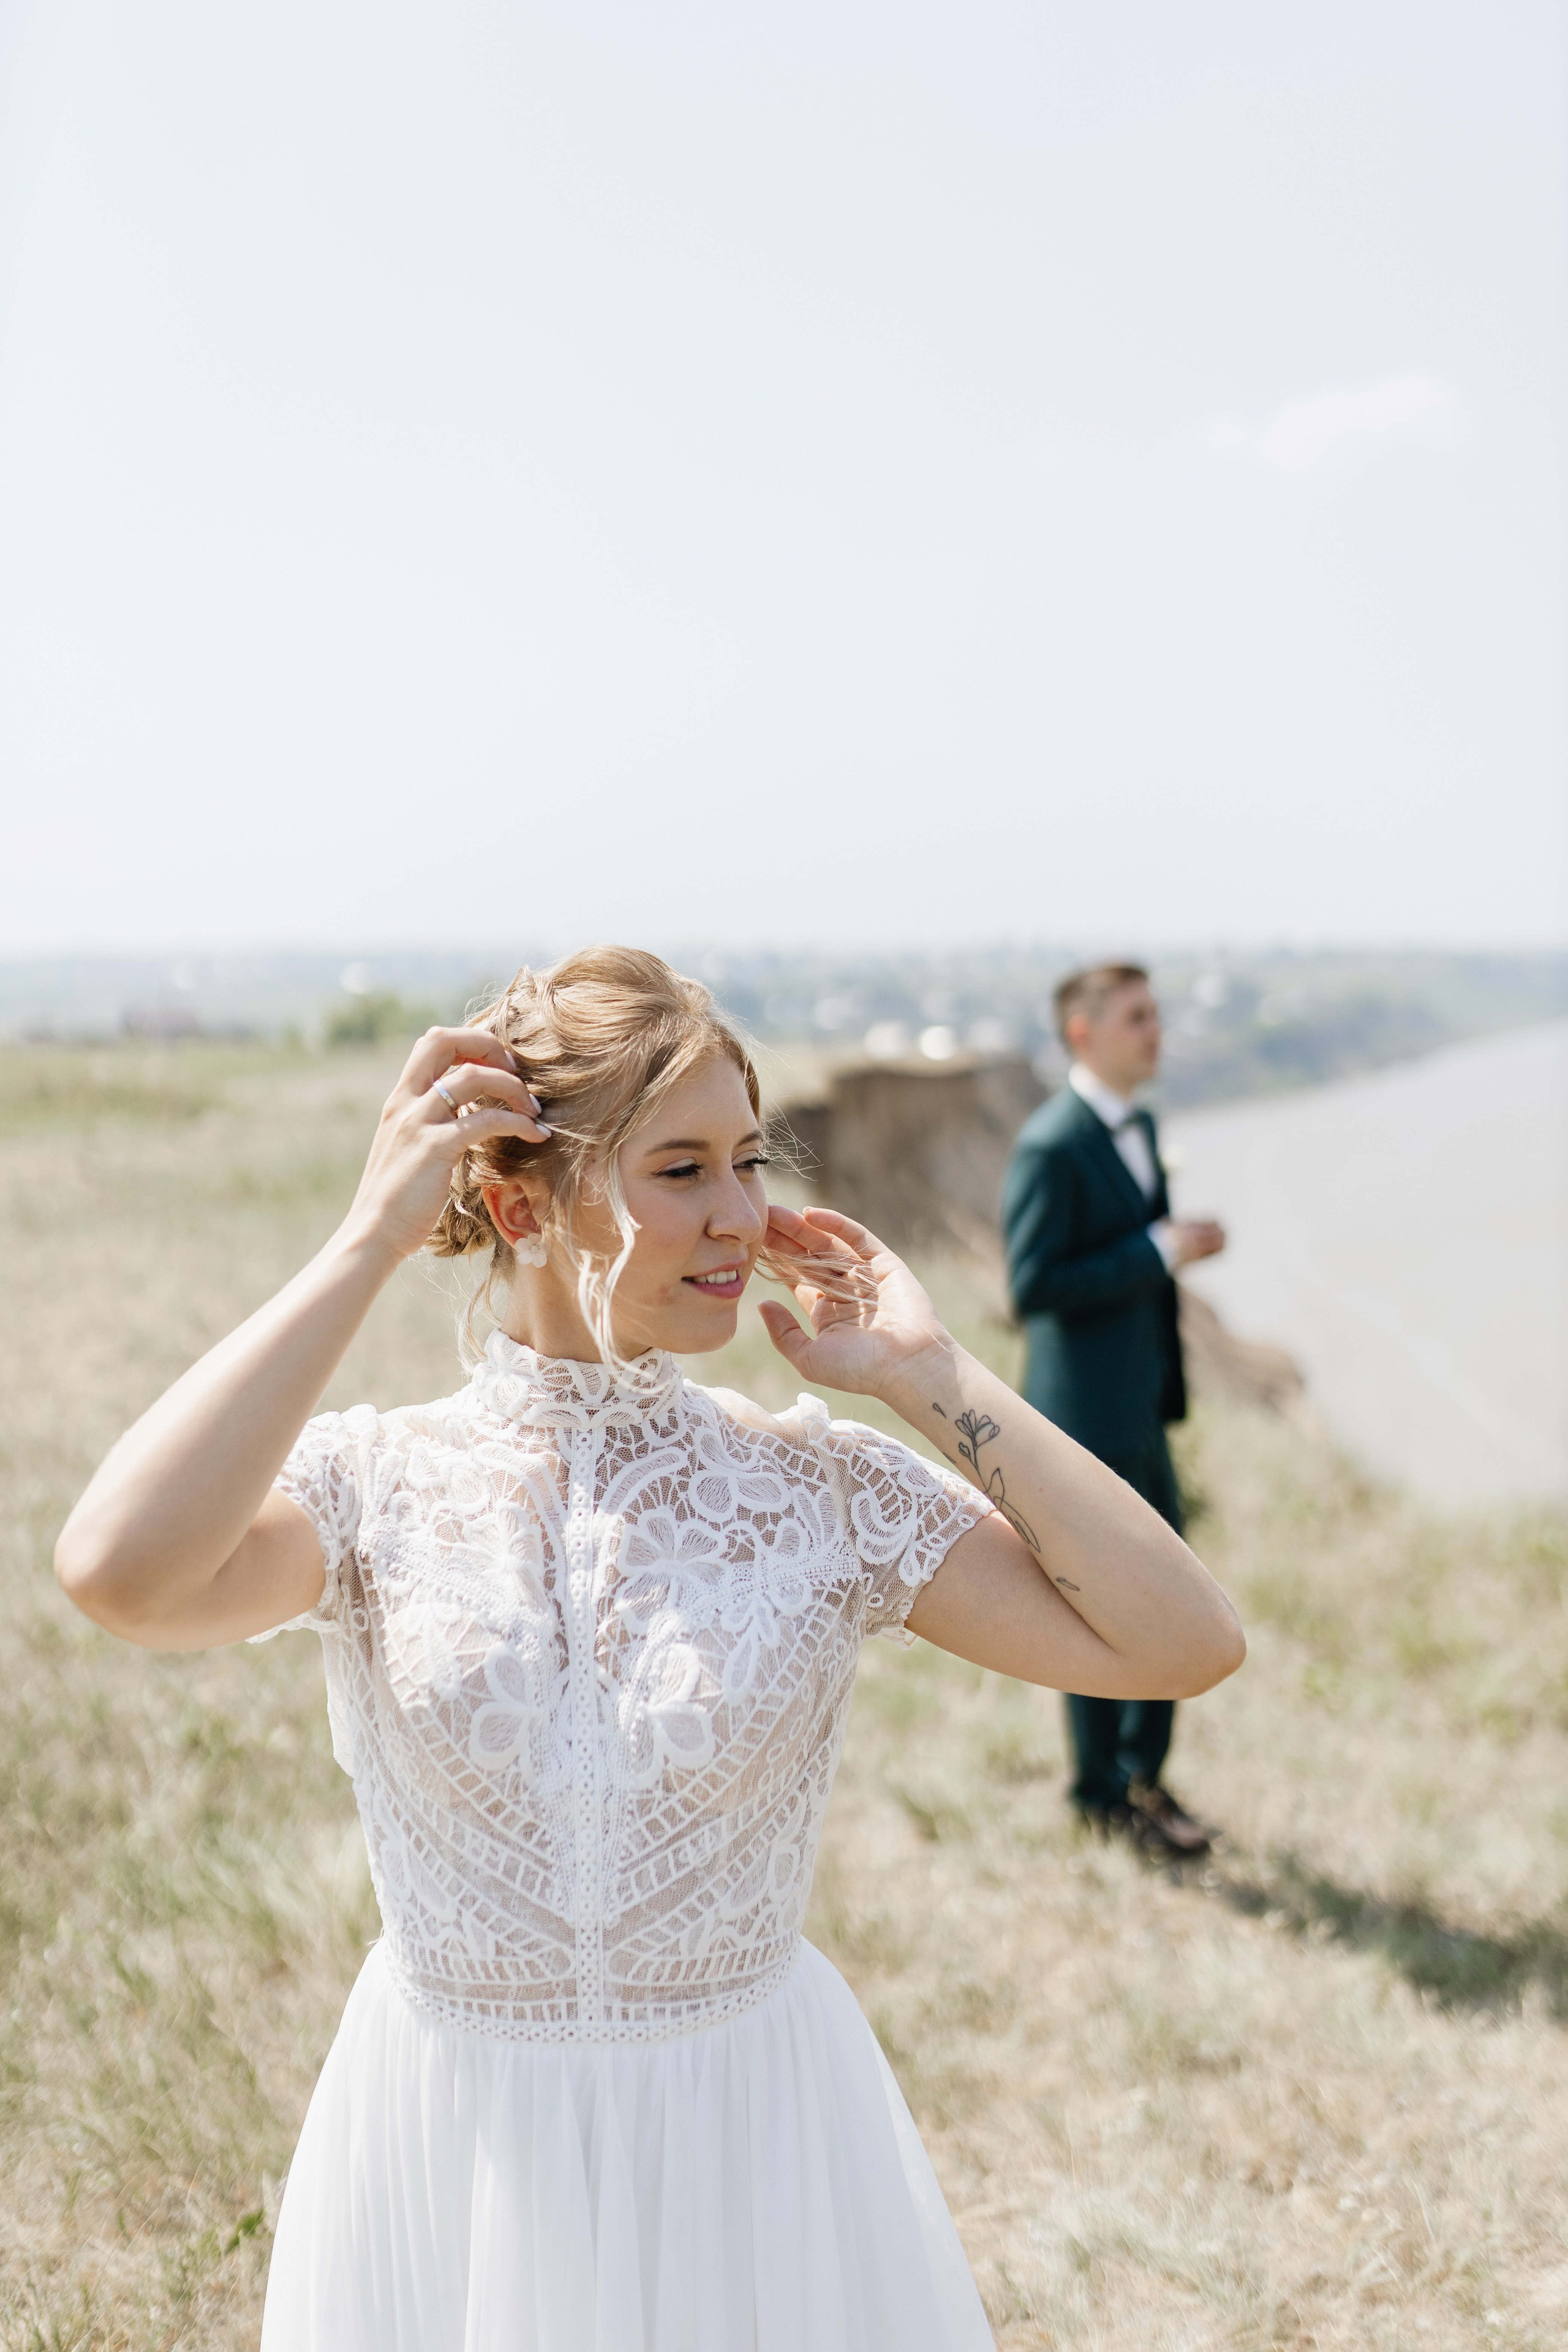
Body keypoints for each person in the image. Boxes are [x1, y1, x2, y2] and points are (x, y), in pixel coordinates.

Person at [56, 946, 1243, 2351]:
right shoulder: (375, 1488)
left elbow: (1181, 1640)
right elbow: (118, 1572)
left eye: (749, 1160)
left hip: (747, 2148)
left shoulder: (817, 1491)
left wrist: (931, 1378)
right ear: (519, 1205)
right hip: (451, 2152)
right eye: (682, 1170)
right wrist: (364, 1242)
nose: (744, 1212)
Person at [1001, 962, 1227, 1860]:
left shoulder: (1145, 1124)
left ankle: (1145, 1776)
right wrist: (1158, 1248)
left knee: (1171, 1602)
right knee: (1101, 1616)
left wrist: (1165, 1252)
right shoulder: (1051, 1146)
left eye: (1157, 1014)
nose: (1156, 1031)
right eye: (1137, 1017)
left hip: (1140, 1412)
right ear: (1083, 1032)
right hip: (1080, 1426)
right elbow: (1032, 1286)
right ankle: (1101, 1797)